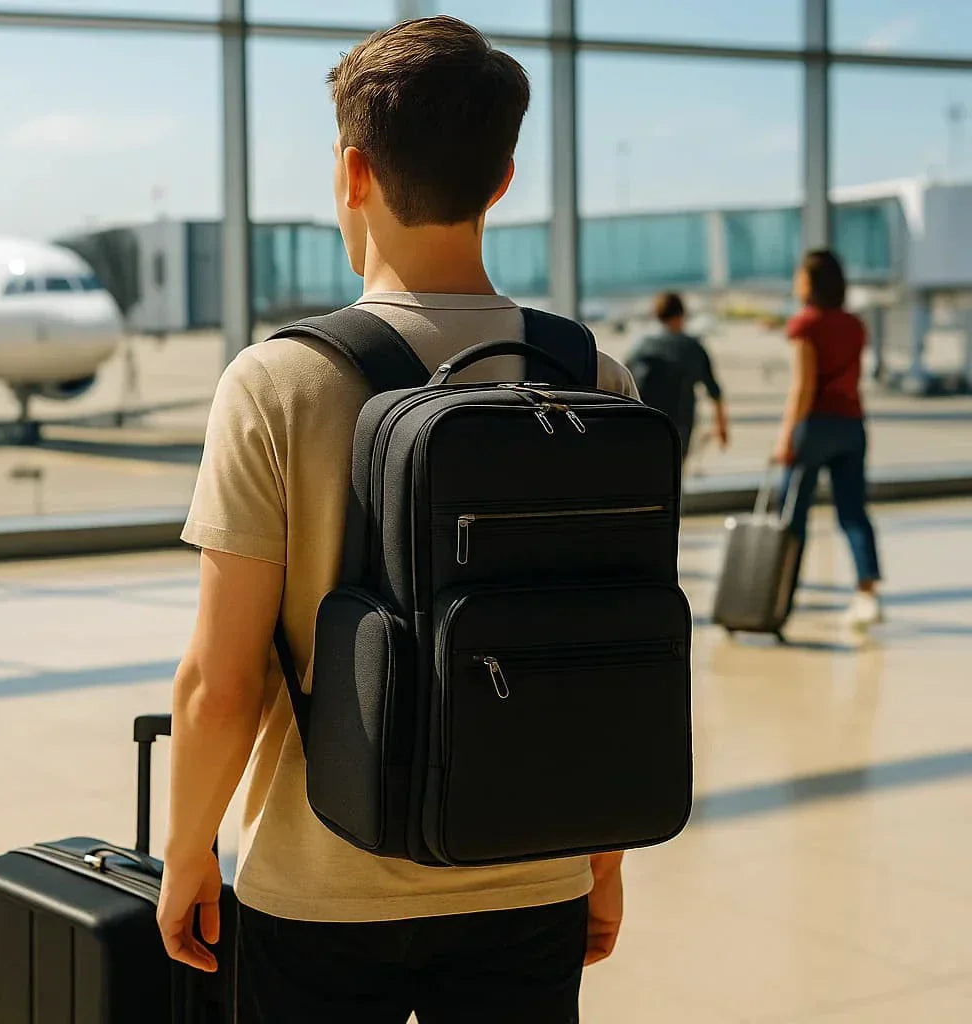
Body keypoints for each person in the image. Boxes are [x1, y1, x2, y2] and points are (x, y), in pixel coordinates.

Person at [158, 17, 638, 1022]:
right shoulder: (591, 377)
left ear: (351, 170)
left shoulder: (277, 381)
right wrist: (599, 855)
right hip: (529, 874)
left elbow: (221, 677)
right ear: (504, 179)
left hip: (322, 886)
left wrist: (188, 847)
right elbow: (605, 646)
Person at [774, 249, 883, 629]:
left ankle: (779, 596)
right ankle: (867, 593)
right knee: (853, 512)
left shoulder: (805, 325)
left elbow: (802, 387)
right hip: (852, 424)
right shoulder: (855, 325)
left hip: (815, 425)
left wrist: (786, 436)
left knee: (791, 515)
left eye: (799, 274)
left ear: (810, 282)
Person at [625, 291, 729, 465]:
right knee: (674, 478)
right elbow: (714, 391)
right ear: (681, 315)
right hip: (679, 428)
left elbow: (623, 387)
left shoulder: (641, 347)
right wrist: (721, 428)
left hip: (644, 426)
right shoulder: (692, 347)